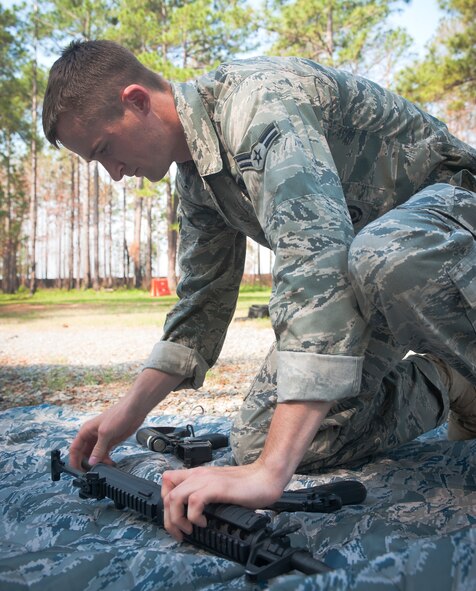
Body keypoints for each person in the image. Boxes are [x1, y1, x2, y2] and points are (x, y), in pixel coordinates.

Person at [42, 39, 476, 541]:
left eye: (104, 151)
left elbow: (317, 262)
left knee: (382, 255)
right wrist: (128, 411)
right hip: (369, 275)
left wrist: (272, 475)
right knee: (260, 442)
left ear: (136, 100)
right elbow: (201, 303)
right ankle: (452, 383)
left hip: (452, 224)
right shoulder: (197, 179)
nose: (114, 173)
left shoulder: (258, 104)